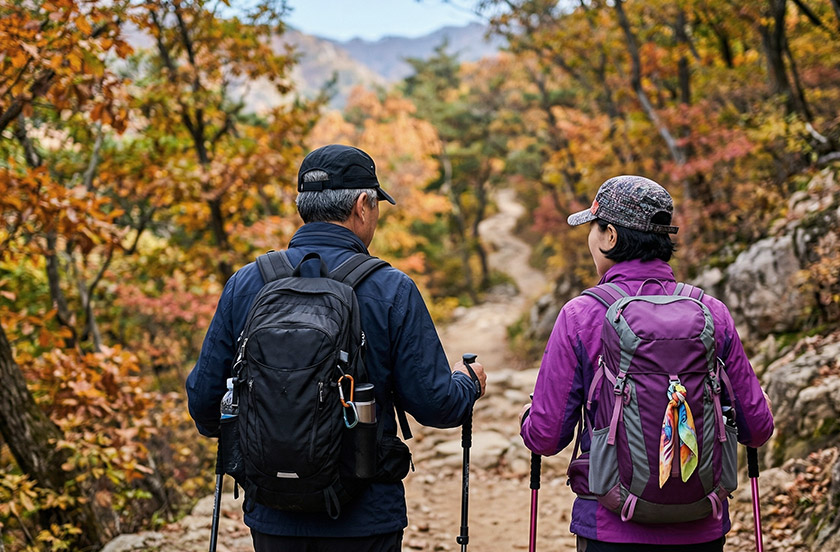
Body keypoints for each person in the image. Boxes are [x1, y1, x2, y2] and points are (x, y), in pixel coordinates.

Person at [186, 144, 487, 551]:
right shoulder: (391, 288)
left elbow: (205, 405)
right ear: (362, 206)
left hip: (273, 516)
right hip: (365, 517)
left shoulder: (247, 284)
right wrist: (467, 383)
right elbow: (437, 406)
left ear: (302, 206)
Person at [519, 175, 774, 551]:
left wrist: (530, 417)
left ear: (610, 236)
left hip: (610, 528)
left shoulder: (581, 315)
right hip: (701, 528)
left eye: (593, 227)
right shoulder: (711, 312)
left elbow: (545, 437)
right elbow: (758, 429)